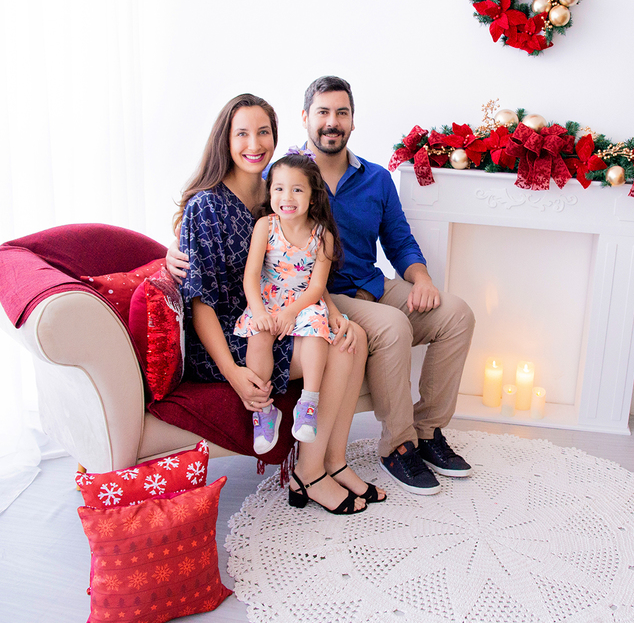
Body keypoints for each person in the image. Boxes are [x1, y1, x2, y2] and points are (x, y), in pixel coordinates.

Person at [172, 77, 477, 495]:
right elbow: (211, 269)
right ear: (306, 120)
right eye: (323, 113)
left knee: (454, 314)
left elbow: (397, 240)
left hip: (347, 290)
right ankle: (388, 450)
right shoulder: (280, 182)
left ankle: (425, 433)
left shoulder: (351, 181)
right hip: (289, 306)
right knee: (375, 331)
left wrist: (420, 276)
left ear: (353, 120)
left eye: (342, 113)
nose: (332, 122)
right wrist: (172, 252)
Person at [176, 93, 382, 514]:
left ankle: (333, 461)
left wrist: (334, 313)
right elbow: (199, 301)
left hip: (281, 317)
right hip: (234, 336)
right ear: (225, 140)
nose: (255, 143)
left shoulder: (275, 192)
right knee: (343, 350)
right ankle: (308, 473)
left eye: (264, 132)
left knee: (351, 334)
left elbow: (300, 269)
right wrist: (233, 373)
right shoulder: (206, 206)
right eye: (242, 134)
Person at [233, 152, 343, 455]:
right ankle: (264, 411)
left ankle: (308, 403)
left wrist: (292, 312)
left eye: (297, 189)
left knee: (317, 335)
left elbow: (317, 286)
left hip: (304, 302)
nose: (287, 197)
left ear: (312, 196)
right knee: (258, 338)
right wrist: (259, 312)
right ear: (270, 193)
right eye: (279, 188)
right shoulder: (265, 227)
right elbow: (250, 277)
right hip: (268, 299)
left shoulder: (322, 236)